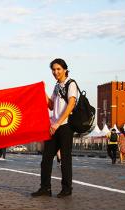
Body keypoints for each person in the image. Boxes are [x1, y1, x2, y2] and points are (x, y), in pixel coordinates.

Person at [31, 58, 78, 198]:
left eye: (58, 69)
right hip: (54, 127)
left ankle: (66, 188)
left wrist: (58, 123)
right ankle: (45, 188)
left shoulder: (71, 84)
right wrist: (42, 91)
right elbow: (51, 105)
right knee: (46, 159)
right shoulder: (57, 86)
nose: (55, 72)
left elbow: (71, 104)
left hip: (65, 126)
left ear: (64, 69)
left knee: (65, 158)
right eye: (53, 69)